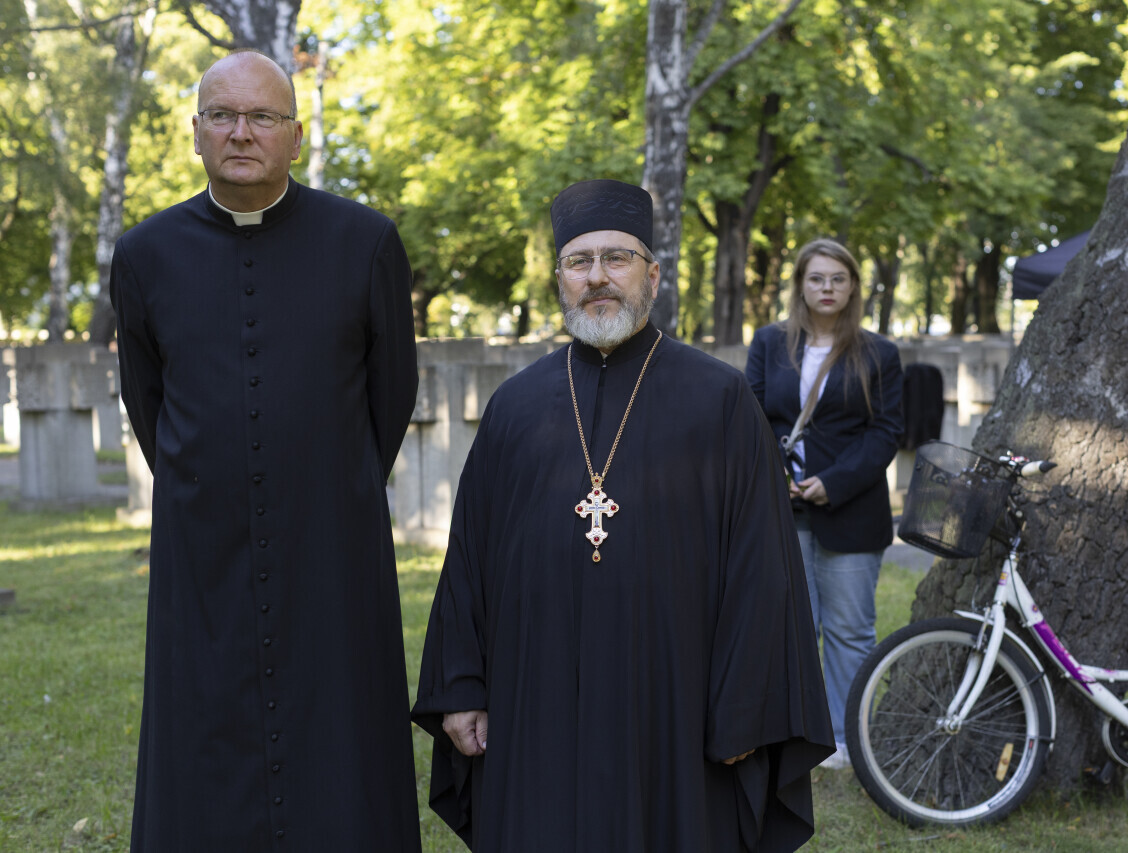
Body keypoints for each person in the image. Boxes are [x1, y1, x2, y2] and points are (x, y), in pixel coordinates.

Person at [413, 179, 833, 852]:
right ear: (559, 279)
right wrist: (461, 684)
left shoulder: (720, 399)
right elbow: (469, 556)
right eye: (580, 261)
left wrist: (745, 707)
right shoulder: (515, 406)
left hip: (675, 702)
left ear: (653, 275)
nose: (598, 277)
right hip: (536, 695)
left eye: (617, 258)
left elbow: (762, 566)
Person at [110, 50, 421, 851]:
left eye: (262, 117)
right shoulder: (144, 254)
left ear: (296, 135)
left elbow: (390, 398)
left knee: (339, 729)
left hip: (332, 542)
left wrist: (324, 480)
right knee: (203, 726)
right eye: (222, 115)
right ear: (195, 132)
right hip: (201, 546)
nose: (241, 133)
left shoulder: (366, 242)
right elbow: (149, 402)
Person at [745, 238, 904, 770]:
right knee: (790, 629)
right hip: (782, 511)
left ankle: (844, 739)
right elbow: (751, 417)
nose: (827, 288)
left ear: (853, 286)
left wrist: (832, 482)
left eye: (838, 278)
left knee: (849, 631)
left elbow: (885, 432)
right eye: (816, 278)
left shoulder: (879, 353)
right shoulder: (769, 343)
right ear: (800, 285)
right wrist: (775, 475)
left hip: (851, 511)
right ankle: (793, 737)